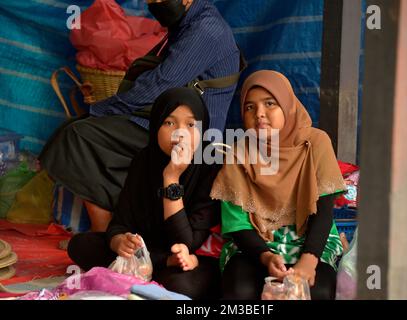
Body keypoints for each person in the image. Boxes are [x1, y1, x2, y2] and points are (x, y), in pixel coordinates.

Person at [39, 0, 240, 232]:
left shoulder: (206, 29)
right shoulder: (187, 23)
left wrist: (101, 109)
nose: (154, 4)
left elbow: (160, 83)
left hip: (192, 140)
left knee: (78, 136)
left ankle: (103, 233)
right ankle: (112, 233)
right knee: (80, 131)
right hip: (165, 126)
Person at [68, 87, 222, 299]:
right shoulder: (144, 161)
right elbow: (120, 222)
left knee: (181, 284)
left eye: (190, 124)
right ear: (155, 127)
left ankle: (143, 272)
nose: (180, 133)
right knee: (80, 245)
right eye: (169, 122)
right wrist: (119, 241)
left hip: (188, 257)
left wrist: (171, 178)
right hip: (149, 251)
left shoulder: (210, 168)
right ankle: (151, 268)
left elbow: (186, 242)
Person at [210, 70, 347, 300]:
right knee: (240, 291)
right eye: (249, 107)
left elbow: (323, 213)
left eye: (270, 104)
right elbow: (237, 224)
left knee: (318, 292)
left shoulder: (316, 143)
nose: (259, 114)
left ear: (288, 106)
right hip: (257, 241)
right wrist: (266, 257)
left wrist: (308, 262)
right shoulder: (239, 153)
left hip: (310, 239)